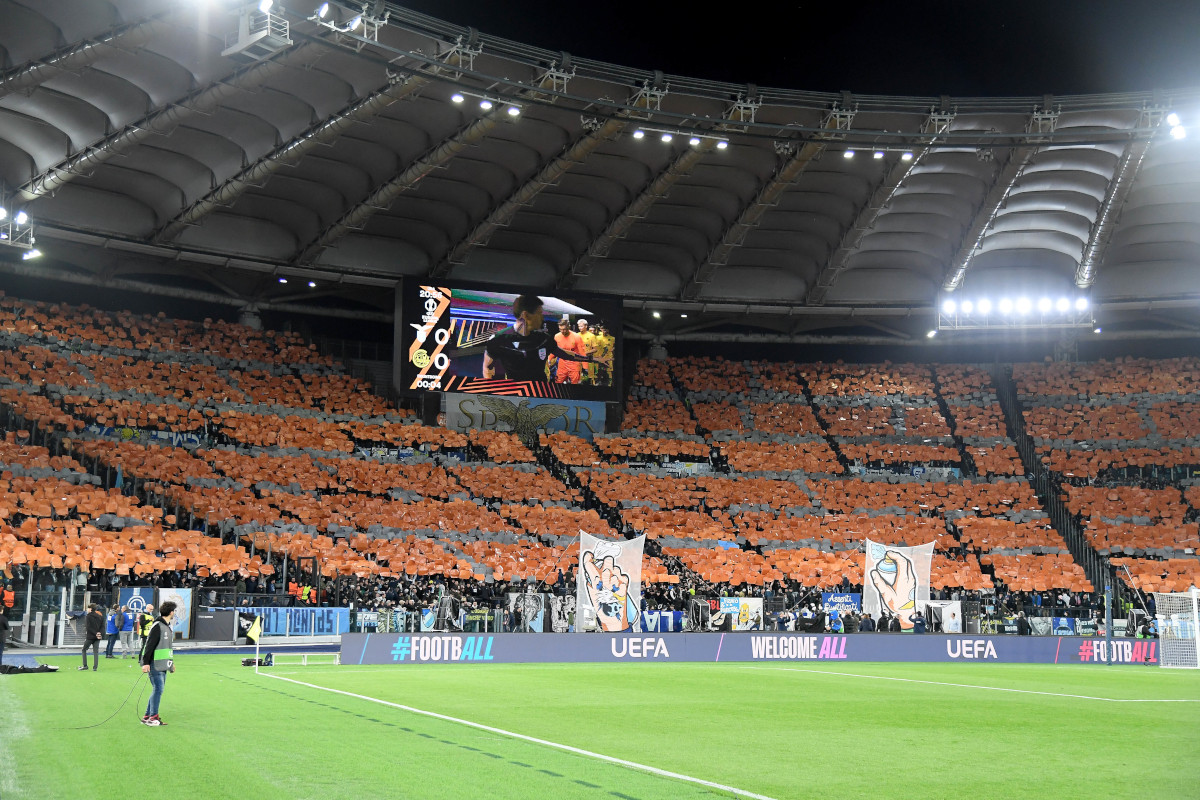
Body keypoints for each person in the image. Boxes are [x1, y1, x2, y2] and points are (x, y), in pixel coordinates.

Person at [482, 296, 601, 381]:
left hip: (541, 392)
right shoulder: (498, 340)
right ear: (526, 315)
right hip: (514, 393)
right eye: (539, 313)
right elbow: (487, 368)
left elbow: (566, 354)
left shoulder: (544, 339)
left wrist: (593, 359)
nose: (542, 318)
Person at [141, 601, 177, 726]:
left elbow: (166, 647)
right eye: (174, 611)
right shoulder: (158, 626)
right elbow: (149, 645)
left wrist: (170, 664)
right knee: (158, 689)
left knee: (157, 690)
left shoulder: (166, 626)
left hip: (162, 664)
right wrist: (145, 663)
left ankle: (147, 716)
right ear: (171, 612)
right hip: (154, 664)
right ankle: (153, 717)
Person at [550, 317, 586, 384]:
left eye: (564, 329)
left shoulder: (576, 337)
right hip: (562, 365)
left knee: (575, 383)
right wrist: (549, 359)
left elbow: (582, 352)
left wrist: (585, 366)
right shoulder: (557, 336)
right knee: (558, 382)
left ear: (569, 327)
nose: (562, 331)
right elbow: (554, 350)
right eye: (560, 329)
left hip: (574, 365)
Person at [80, 603, 103, 671]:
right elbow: (102, 627)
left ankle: (85, 665)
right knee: (96, 652)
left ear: (90, 609)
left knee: (84, 650)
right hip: (97, 637)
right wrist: (99, 634)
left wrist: (95, 633)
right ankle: (95, 667)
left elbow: (88, 627)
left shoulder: (88, 616)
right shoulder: (100, 616)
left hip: (90, 636)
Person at [576, 319, 599, 384]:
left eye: (581, 326)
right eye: (579, 326)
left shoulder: (591, 336)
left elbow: (595, 349)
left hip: (588, 360)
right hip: (578, 360)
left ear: (586, 326)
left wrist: (585, 353)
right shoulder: (576, 335)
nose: (580, 328)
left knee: (589, 379)